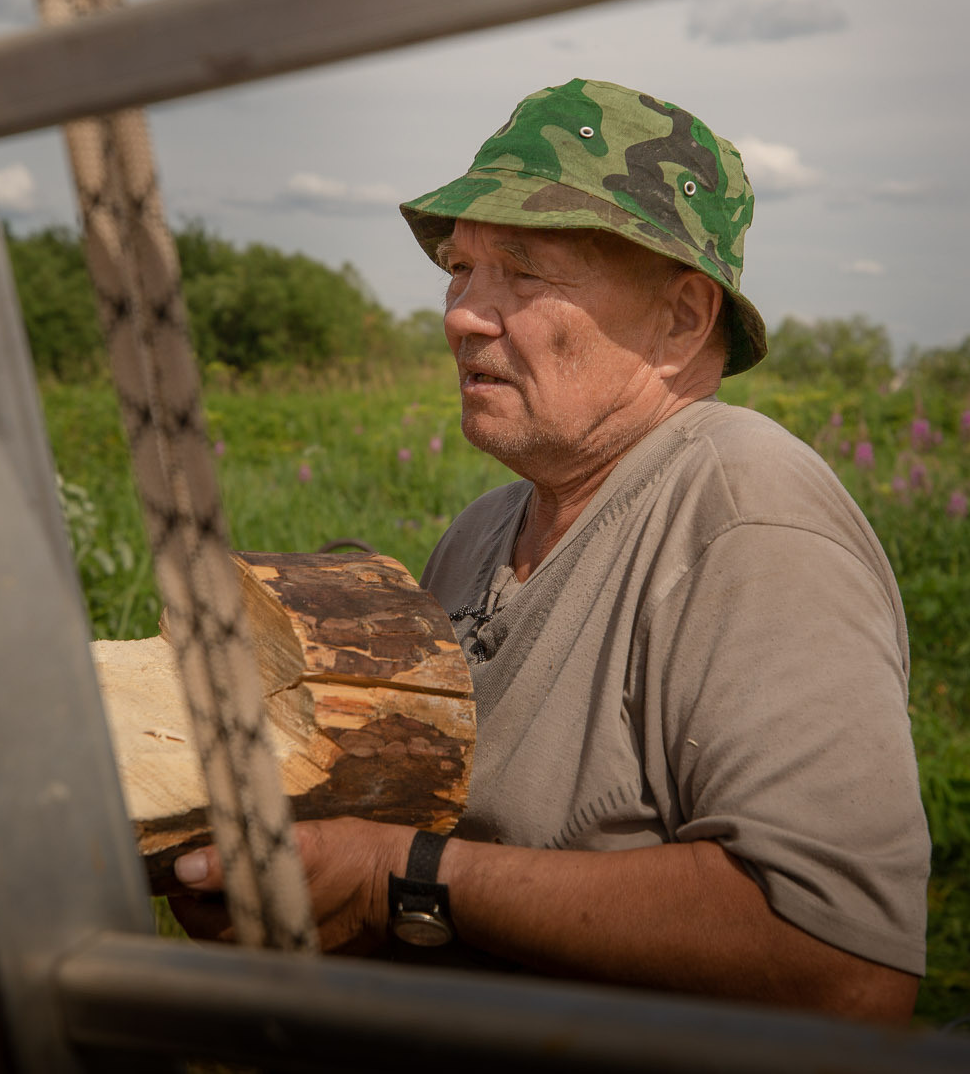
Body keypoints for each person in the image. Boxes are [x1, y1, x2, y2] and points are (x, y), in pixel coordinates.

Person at [171, 79, 929, 1022]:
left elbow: (840, 968)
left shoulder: (745, 514)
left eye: (524, 272)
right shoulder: (484, 531)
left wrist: (395, 881)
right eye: (460, 267)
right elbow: (460, 892)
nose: (462, 314)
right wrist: (310, 896)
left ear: (683, 318)